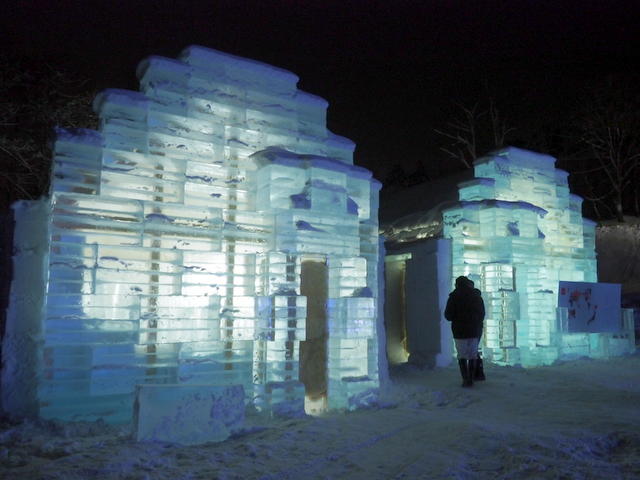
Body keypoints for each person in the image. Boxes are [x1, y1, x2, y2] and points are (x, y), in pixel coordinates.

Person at [444, 276, 485, 387]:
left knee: (461, 355)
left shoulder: (453, 297)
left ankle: (465, 379)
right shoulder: (476, 297)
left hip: (459, 331)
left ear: (457, 285)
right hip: (474, 330)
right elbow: (482, 314)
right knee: (473, 355)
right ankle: (471, 378)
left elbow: (448, 315)